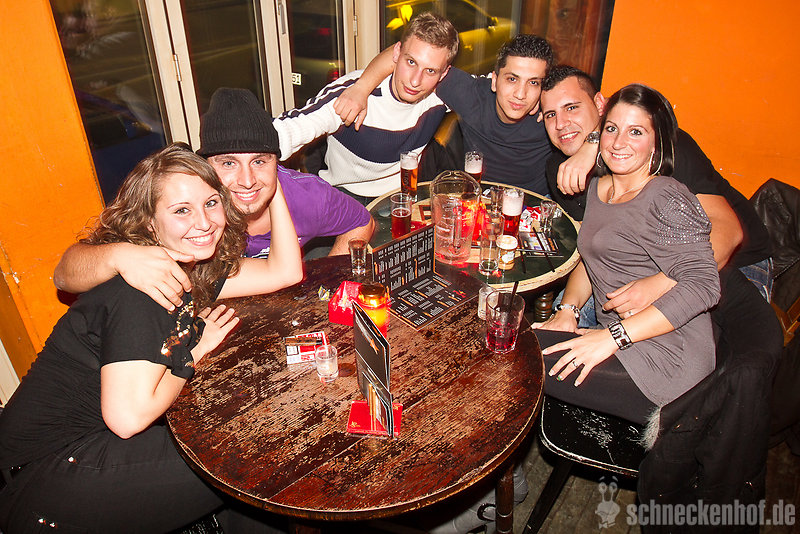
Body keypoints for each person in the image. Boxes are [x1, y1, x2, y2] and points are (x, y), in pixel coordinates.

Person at [0, 143, 303, 532]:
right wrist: (194, 351)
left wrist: (272, 188)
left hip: (80, 454)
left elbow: (283, 271)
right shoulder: (141, 290)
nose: (204, 222)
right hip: (48, 477)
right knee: (250, 452)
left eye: (211, 203)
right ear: (148, 224)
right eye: (181, 211)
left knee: (243, 448)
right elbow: (128, 419)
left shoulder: (187, 270)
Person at [54, 87, 373, 311]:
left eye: (260, 161)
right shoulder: (189, 215)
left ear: (278, 161)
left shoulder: (307, 196)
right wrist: (119, 256)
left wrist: (329, 288)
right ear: (204, 166)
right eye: (228, 163)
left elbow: (362, 223)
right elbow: (65, 275)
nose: (247, 180)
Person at [534, 84, 721, 425]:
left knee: (514, 357)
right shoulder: (599, 187)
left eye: (636, 132)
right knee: (510, 343)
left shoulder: (666, 196)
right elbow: (591, 259)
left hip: (665, 358)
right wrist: (568, 311)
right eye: (612, 129)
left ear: (656, 143)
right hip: (621, 342)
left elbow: (704, 284)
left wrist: (613, 337)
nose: (618, 143)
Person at [540, 65, 772, 304]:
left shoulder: (661, 146)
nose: (561, 123)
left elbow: (728, 230)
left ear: (600, 104)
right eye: (550, 114)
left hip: (736, 264)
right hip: (644, 265)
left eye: (572, 107)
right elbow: (595, 248)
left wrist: (661, 283)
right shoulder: (560, 169)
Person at [272, 12, 459, 203]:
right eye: (411, 62)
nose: (415, 81)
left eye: (430, 70)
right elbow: (288, 130)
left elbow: (480, 93)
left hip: (399, 196)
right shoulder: (351, 95)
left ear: (444, 74)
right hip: (345, 195)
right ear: (396, 53)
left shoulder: (440, 94)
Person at [336, 34, 555, 195]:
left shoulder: (553, 116)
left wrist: (581, 145)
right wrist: (361, 88)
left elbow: (577, 118)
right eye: (512, 79)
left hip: (534, 211)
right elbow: (402, 54)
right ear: (495, 80)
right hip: (477, 205)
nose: (520, 94)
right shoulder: (472, 95)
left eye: (533, 83)